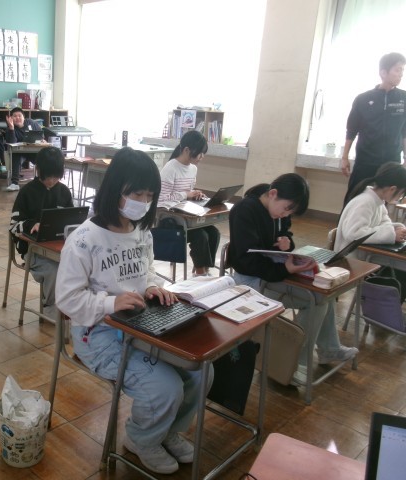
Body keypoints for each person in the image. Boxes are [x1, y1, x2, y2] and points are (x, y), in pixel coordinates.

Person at [55, 147, 211, 475]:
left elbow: (146, 270)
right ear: (115, 190)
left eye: (150, 195)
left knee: (201, 373)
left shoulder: (141, 231)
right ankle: (141, 440)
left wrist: (152, 285)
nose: (144, 201)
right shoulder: (84, 240)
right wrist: (110, 303)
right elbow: (67, 299)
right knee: (165, 387)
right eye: (136, 193)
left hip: (141, 324)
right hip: (98, 334)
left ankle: (167, 432)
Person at [227, 173, 357, 385]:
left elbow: (285, 234)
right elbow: (244, 262)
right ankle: (295, 365)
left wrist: (287, 243)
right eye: (286, 209)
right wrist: (285, 269)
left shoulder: (278, 209)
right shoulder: (244, 210)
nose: (285, 215)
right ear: (272, 194)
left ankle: (328, 349)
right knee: (316, 301)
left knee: (324, 292)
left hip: (274, 273)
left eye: (291, 212)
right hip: (250, 282)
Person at [9, 146, 73, 320]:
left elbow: (73, 220)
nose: (51, 181)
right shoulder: (27, 192)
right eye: (47, 177)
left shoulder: (64, 192)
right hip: (33, 251)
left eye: (56, 176)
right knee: (54, 269)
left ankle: (70, 306)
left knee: (79, 265)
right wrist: (32, 225)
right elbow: (13, 225)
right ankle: (50, 307)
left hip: (59, 249)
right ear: (38, 170)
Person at [341, 52, 406, 206]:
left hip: (391, 162)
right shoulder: (363, 99)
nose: (401, 74)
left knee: (382, 204)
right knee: (353, 199)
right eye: (397, 70)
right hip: (365, 160)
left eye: (402, 70)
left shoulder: (404, 98)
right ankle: (345, 223)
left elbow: (404, 132)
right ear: (383, 72)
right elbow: (351, 130)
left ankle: (376, 224)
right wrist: (344, 157)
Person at [337, 163, 406, 300]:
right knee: (400, 271)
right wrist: (391, 234)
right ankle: (384, 305)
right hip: (351, 260)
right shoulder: (365, 202)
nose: (399, 198)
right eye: (401, 195)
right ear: (392, 189)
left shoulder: (378, 201)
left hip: (366, 254)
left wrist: (397, 229)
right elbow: (353, 234)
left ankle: (388, 305)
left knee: (401, 269)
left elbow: (385, 224)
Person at [157, 130, 219, 276]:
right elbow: (161, 200)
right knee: (200, 236)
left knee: (214, 233)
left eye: (204, 153)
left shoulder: (193, 169)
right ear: (186, 150)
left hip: (186, 216)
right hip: (171, 220)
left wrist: (195, 195)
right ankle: (200, 273)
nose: (202, 157)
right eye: (200, 153)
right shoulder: (170, 168)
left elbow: (186, 193)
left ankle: (204, 269)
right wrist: (186, 194)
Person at [4, 107, 44, 192]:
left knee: (43, 157)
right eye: (15, 116)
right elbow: (12, 143)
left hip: (32, 151)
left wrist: (42, 140)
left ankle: (42, 180)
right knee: (15, 155)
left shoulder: (31, 123)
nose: (17, 118)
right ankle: (14, 183)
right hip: (19, 152)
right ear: (11, 118)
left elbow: (41, 135)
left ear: (24, 117)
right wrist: (11, 128)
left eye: (19, 116)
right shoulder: (9, 129)